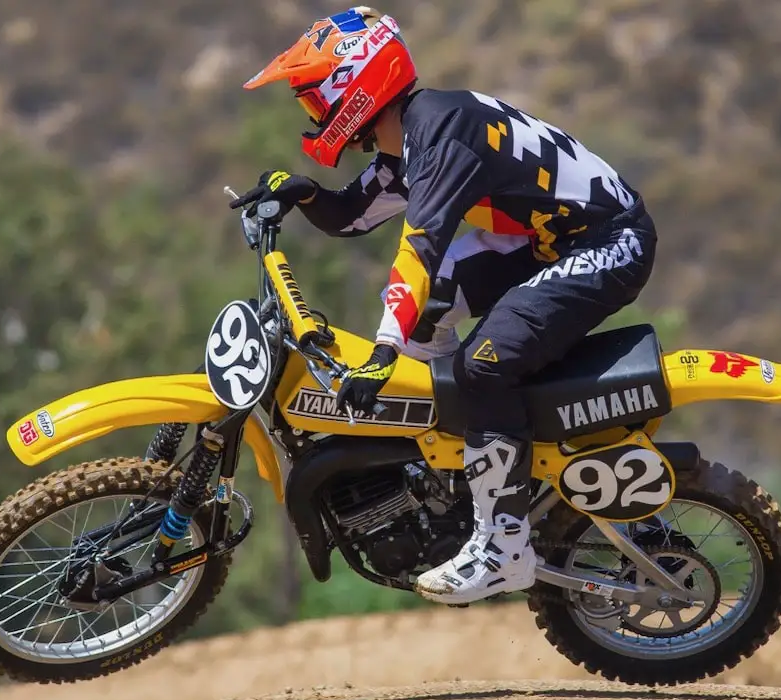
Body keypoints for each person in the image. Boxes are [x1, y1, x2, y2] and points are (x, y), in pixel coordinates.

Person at [242, 6, 657, 605]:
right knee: (428, 320)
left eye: (314, 100)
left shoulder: (440, 134)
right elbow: (353, 217)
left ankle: (504, 543)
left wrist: (383, 349)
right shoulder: (413, 135)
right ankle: (458, 483)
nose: (312, 115)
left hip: (608, 241)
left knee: (484, 364)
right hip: (542, 239)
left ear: (355, 88)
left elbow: (421, 246)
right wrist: (302, 193)